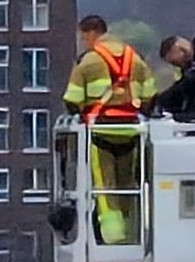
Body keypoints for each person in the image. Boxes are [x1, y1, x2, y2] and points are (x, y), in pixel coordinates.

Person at [63, 15, 157, 245]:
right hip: (132, 132)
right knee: (130, 185)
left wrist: (82, 113)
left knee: (105, 188)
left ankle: (113, 238)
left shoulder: (88, 62)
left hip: (100, 134)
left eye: (84, 37)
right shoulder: (135, 60)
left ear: (90, 33)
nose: (84, 42)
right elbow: (150, 96)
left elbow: (72, 100)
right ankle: (133, 234)